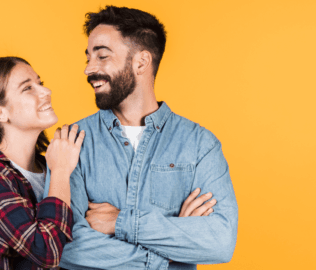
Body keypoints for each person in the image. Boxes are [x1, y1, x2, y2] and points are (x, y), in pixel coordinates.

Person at [44, 5, 238, 270]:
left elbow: (219, 242)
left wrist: (120, 222)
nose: (89, 69)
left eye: (102, 56)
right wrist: (170, 252)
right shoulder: (72, 142)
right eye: (88, 57)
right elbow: (64, 246)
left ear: (141, 62)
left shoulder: (199, 145)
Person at [0, 57, 85, 270]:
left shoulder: (53, 163)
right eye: (28, 88)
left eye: (40, 82)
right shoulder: (60, 166)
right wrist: (61, 171)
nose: (46, 91)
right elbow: (47, 251)